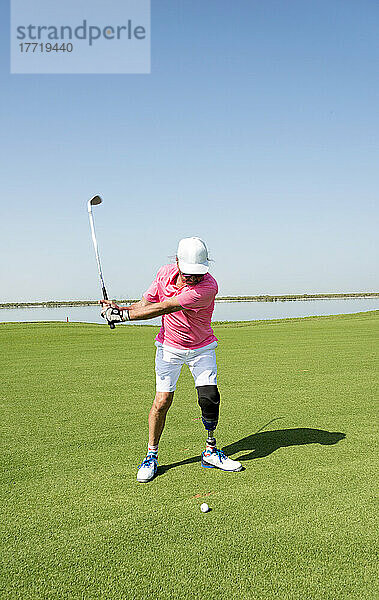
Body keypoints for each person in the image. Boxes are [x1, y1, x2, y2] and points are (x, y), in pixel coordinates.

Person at [100, 236, 242, 483]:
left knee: (209, 398)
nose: (193, 278)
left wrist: (121, 317)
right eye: (189, 273)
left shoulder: (207, 287)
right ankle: (151, 456)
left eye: (198, 273)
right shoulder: (164, 274)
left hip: (201, 348)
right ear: (177, 262)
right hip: (169, 348)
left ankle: (210, 451)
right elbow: (146, 303)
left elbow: (163, 308)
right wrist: (121, 308)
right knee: (162, 400)